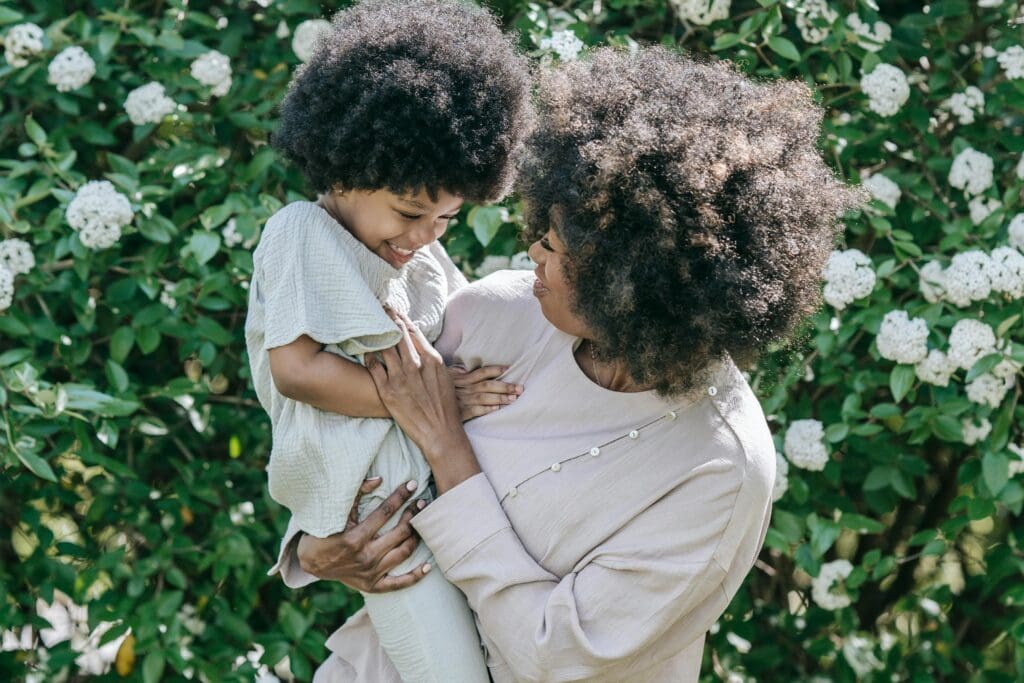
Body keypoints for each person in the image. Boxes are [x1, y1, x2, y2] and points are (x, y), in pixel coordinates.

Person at [277, 47, 865, 681]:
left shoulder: (719, 471)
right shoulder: (497, 314)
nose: (531, 249)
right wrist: (318, 550)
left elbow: (558, 654)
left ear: (633, 282)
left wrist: (449, 447)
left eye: (554, 246)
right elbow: (357, 440)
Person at [245, 1, 531, 680]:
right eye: (409, 212)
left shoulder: (421, 260)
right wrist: (437, 401)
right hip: (380, 518)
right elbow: (298, 370)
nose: (425, 233)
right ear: (344, 164)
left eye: (447, 217)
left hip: (439, 499)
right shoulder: (300, 232)